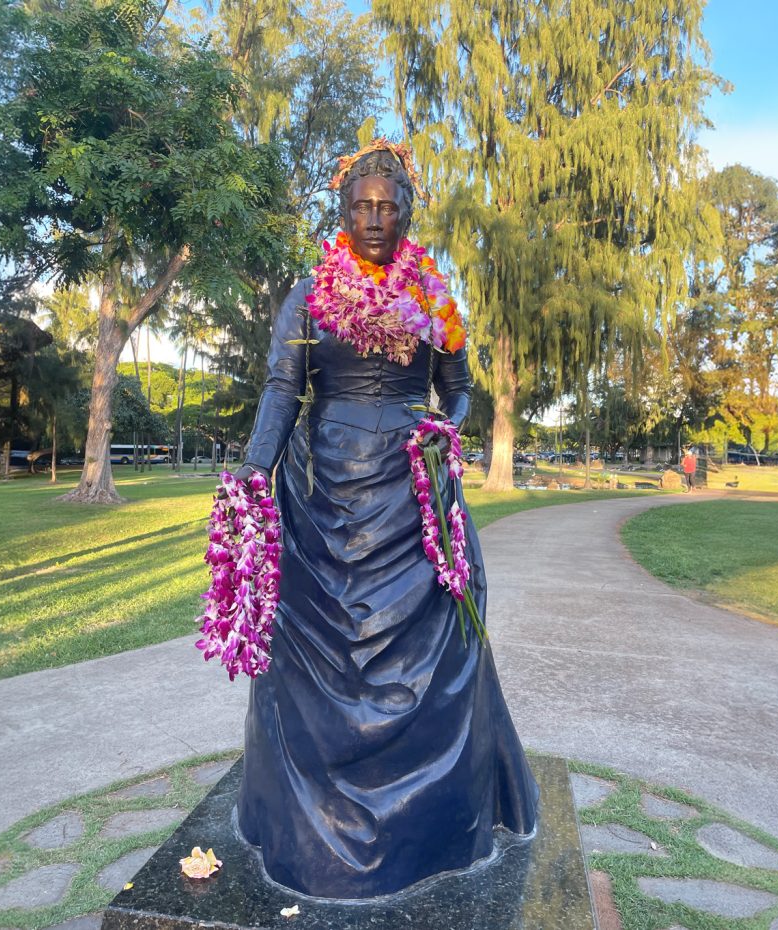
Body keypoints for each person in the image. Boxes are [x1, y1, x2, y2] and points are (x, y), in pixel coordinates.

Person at [232, 142, 538, 899]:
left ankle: (431, 825)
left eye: (387, 206)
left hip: (411, 495)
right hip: (322, 493)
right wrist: (255, 467)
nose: (374, 218)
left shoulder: (433, 300)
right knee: (306, 649)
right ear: (344, 213)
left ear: (406, 213)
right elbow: (282, 389)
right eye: (361, 206)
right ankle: (302, 820)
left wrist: (444, 428)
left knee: (444, 646)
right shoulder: (308, 295)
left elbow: (458, 389)